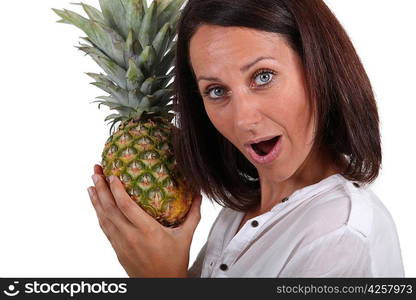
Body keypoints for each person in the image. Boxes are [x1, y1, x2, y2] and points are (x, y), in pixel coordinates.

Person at [87, 0, 405, 277]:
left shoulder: (341, 237)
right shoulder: (241, 211)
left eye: (262, 76)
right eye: (216, 91)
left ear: (317, 67)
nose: (243, 120)